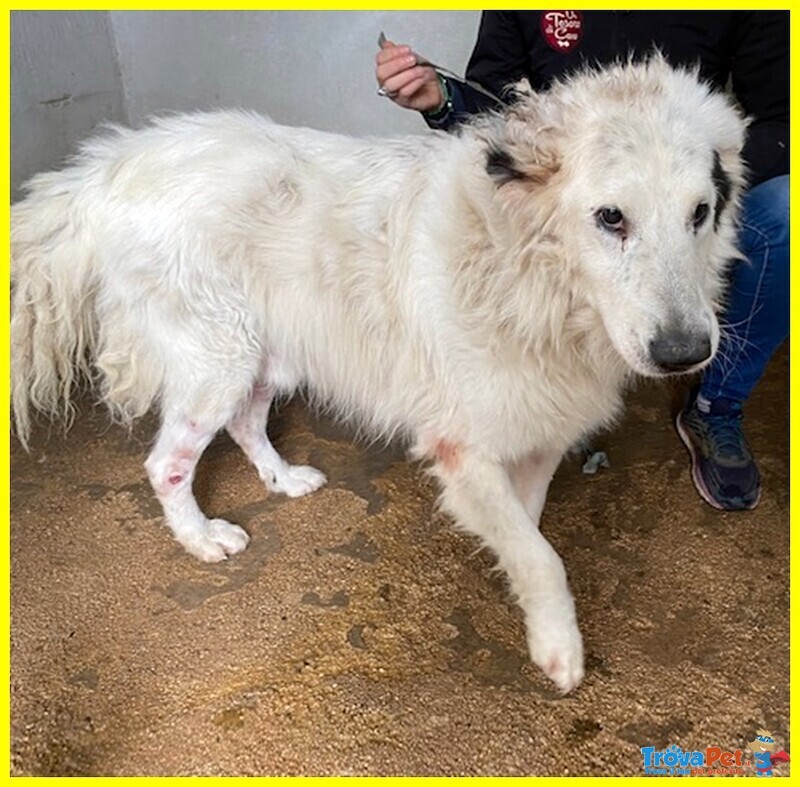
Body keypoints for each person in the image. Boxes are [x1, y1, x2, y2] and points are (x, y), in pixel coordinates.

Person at [375, 11, 789, 512]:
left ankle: (716, 406)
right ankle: (541, 389)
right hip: (570, 185)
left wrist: (711, 170)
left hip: (684, 171)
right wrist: (440, 100)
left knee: (787, 209)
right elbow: (493, 109)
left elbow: (783, 115)